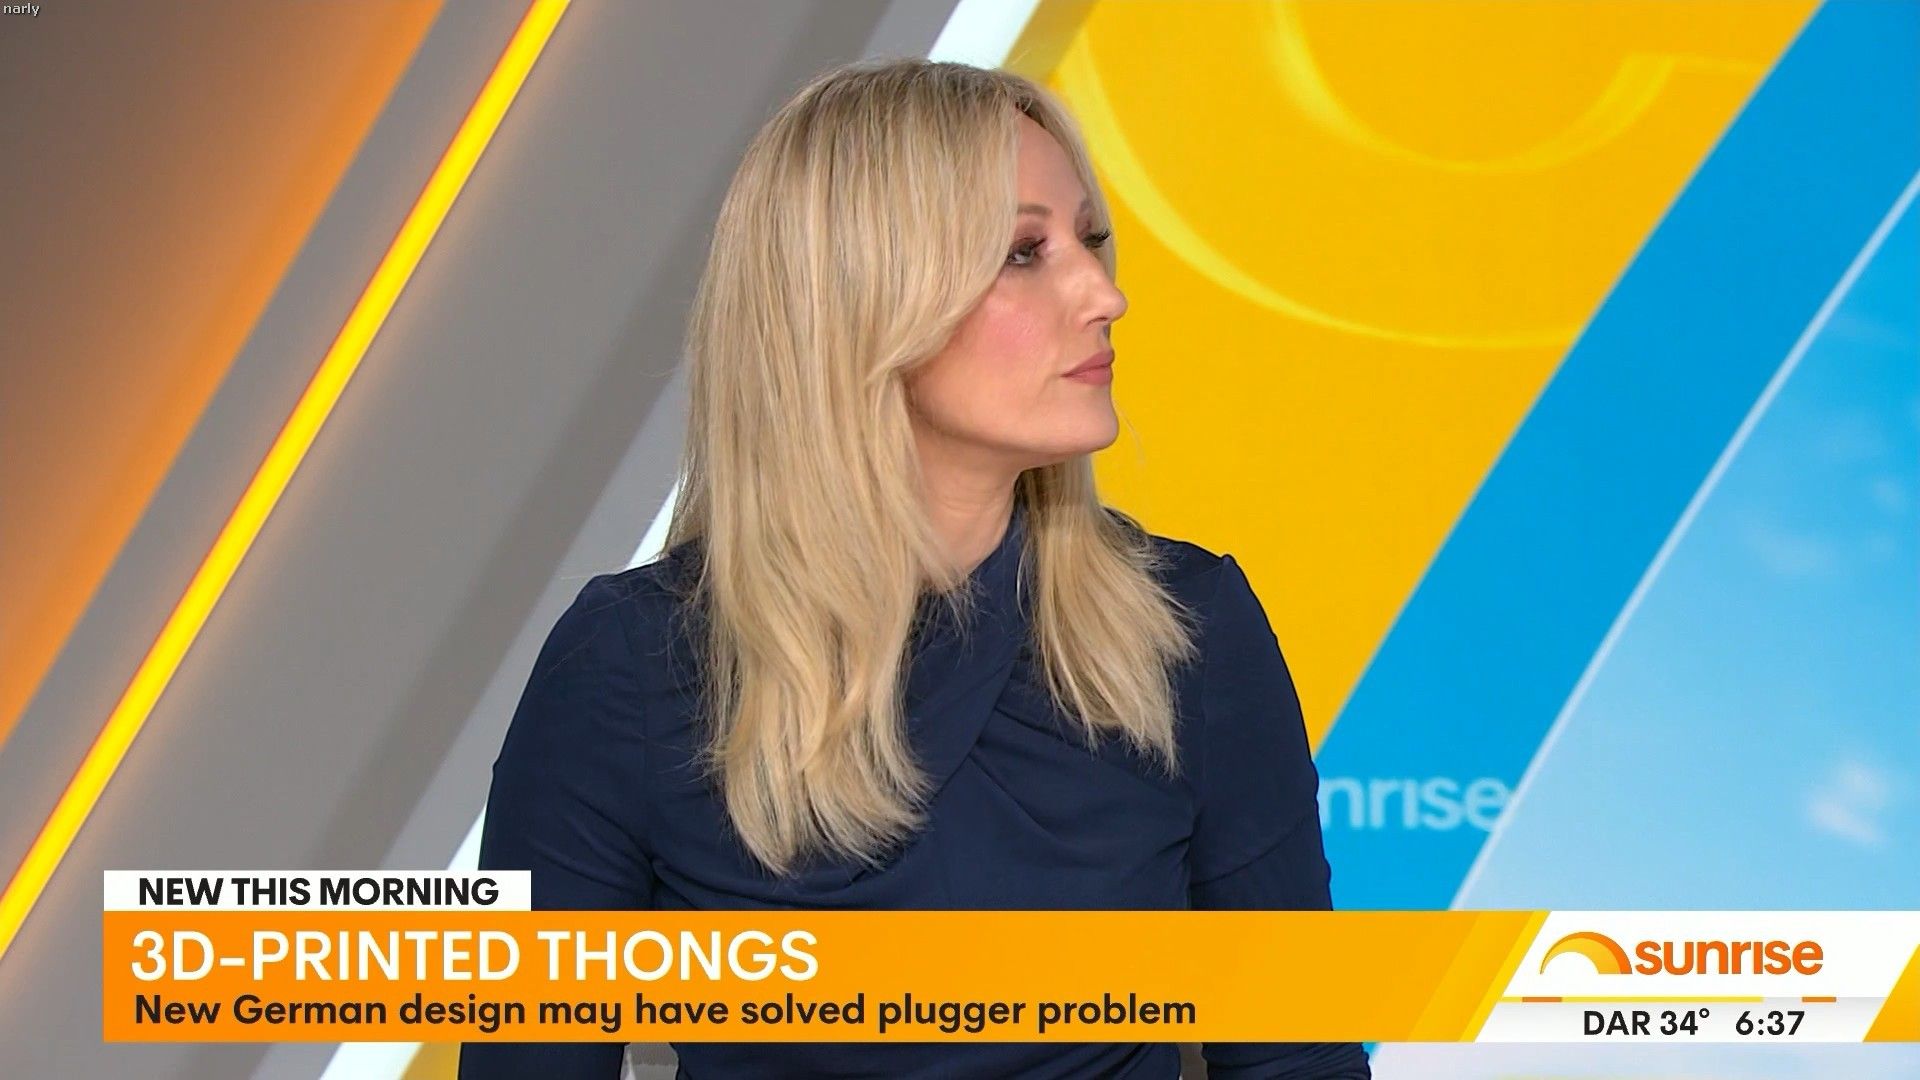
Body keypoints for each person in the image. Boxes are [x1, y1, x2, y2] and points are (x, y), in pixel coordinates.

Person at [460, 57, 1370, 1080]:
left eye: (1090, 240)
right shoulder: (632, 665)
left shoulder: (1187, 629)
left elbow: (1300, 1059)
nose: (1105, 294)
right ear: (861, 302)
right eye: (1023, 253)